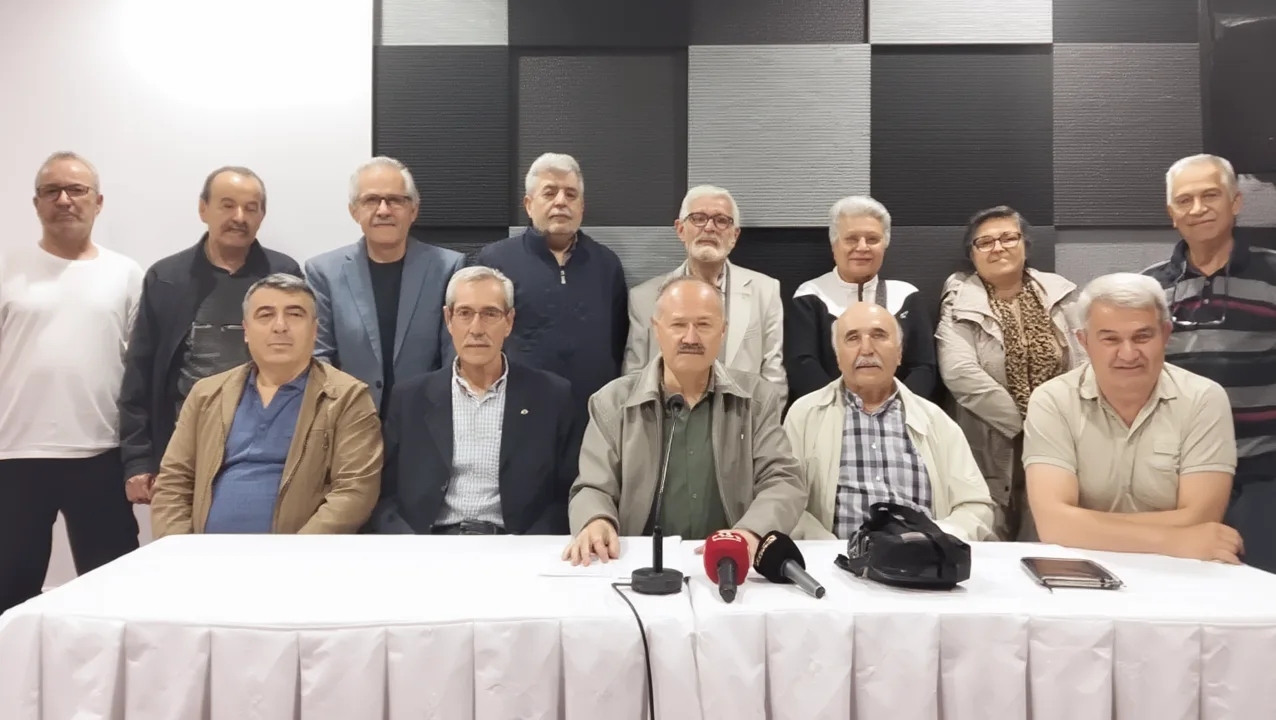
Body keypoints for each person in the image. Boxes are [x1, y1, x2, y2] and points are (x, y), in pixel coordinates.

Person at [563, 276, 805, 566]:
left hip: (729, 562)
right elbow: (593, 487)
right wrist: (596, 519)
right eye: (678, 325)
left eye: (703, 325)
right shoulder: (612, 403)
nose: (691, 338)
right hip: (639, 563)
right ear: (656, 329)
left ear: (723, 331)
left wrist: (751, 532)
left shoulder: (757, 399)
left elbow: (782, 480)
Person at [0, 152, 143, 612]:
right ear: (36, 203)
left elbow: (139, 371)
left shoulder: (126, 274)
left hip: (100, 454)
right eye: (51, 191)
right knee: (10, 595)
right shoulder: (7, 268)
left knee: (114, 597)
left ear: (98, 202)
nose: (64, 200)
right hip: (15, 455)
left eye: (76, 190)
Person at [1024, 273, 1242, 563]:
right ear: (1084, 341)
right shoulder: (1052, 401)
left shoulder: (1204, 399)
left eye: (1142, 337)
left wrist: (1082, 526)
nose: (1128, 354)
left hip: (1179, 569)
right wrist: (1173, 539)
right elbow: (1054, 525)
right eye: (1110, 339)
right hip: (1080, 568)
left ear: (1165, 334)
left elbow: (1201, 518)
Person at [119, 166, 301, 507]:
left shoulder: (283, 275)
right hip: (185, 449)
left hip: (268, 450)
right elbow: (139, 373)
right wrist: (138, 459)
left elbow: (299, 362)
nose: (239, 217)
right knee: (183, 538)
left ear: (262, 215)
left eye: (251, 208)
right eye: (227, 205)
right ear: (203, 209)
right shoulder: (167, 278)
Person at [150, 274, 383, 536]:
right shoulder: (206, 394)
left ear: (315, 330)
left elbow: (354, 492)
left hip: (299, 556)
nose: (280, 326)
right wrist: (180, 548)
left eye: (294, 314)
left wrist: (290, 554)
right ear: (246, 330)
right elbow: (173, 482)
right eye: (265, 315)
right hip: (204, 554)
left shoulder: (347, 397)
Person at [370, 266, 579, 534]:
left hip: (515, 544)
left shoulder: (551, 396)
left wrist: (528, 547)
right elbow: (385, 497)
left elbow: (566, 496)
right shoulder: (410, 398)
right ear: (448, 319)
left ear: (509, 321)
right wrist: (413, 546)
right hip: (429, 544)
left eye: (490, 314)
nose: (476, 329)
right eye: (465, 313)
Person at [1143, 153, 1276, 572]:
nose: (1197, 208)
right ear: (1172, 214)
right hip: (1174, 477)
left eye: (1210, 196)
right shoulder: (1148, 288)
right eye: (1185, 200)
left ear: (1235, 201)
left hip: (1262, 475)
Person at [787, 303, 994, 542]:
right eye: (852, 338)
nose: (866, 349)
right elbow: (785, 500)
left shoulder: (937, 422)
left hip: (922, 559)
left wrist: (937, 539)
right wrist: (827, 549)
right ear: (838, 357)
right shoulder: (804, 416)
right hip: (835, 558)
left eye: (879, 336)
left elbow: (975, 506)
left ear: (899, 353)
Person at [936, 206, 1083, 541]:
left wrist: (1055, 425)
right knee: (989, 539)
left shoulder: (1062, 295)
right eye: (985, 242)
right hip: (989, 439)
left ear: (1025, 245)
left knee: (1049, 534)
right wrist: (1028, 425)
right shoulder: (959, 298)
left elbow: (1083, 362)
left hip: (1061, 439)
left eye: (1008, 238)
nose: (997, 247)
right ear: (972, 255)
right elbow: (960, 372)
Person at [476, 153, 628, 430]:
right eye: (550, 193)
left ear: (582, 206)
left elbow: (618, 344)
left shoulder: (607, 265)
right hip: (517, 419)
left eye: (571, 194)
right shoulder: (495, 262)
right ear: (528, 204)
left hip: (593, 423)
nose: (561, 202)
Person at [305, 157, 465, 411]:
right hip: (347, 417)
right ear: (354, 211)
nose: (383, 210)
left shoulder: (447, 268)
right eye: (371, 200)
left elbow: (453, 355)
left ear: (413, 210)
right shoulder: (323, 272)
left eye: (395, 200)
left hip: (425, 415)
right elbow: (319, 354)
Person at [624, 185, 785, 403]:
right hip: (667, 419)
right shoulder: (644, 298)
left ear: (734, 235)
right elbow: (634, 380)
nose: (709, 228)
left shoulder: (765, 291)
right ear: (680, 229)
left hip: (744, 419)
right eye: (698, 218)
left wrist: (761, 422)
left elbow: (773, 378)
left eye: (721, 220)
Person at [787, 195, 937, 403]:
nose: (862, 247)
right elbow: (802, 365)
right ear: (834, 245)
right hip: (828, 412)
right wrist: (844, 409)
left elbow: (923, 367)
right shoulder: (810, 296)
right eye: (851, 239)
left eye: (873, 239)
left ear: (885, 245)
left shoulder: (906, 296)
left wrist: (895, 408)